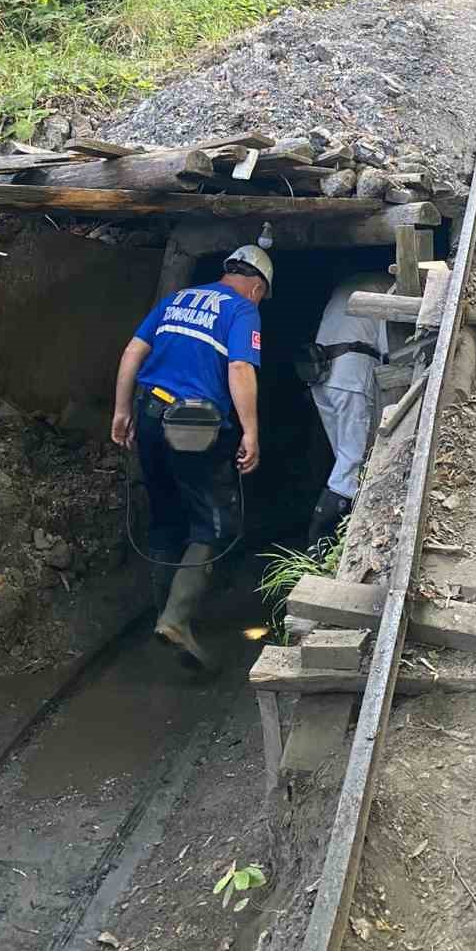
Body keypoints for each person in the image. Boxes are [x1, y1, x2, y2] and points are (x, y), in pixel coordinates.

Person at [111, 244, 271, 669]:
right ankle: (177, 619)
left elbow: (132, 352)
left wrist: (122, 410)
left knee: (166, 513)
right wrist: (251, 430)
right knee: (217, 522)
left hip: (147, 412)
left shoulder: (177, 299)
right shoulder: (242, 310)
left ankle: (162, 614)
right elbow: (240, 368)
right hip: (193, 426)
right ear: (257, 288)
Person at [307, 273, 390, 551]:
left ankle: (327, 543)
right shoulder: (389, 289)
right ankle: (323, 545)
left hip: (319, 375)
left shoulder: (344, 285)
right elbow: (389, 348)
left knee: (342, 459)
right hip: (351, 377)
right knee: (351, 462)